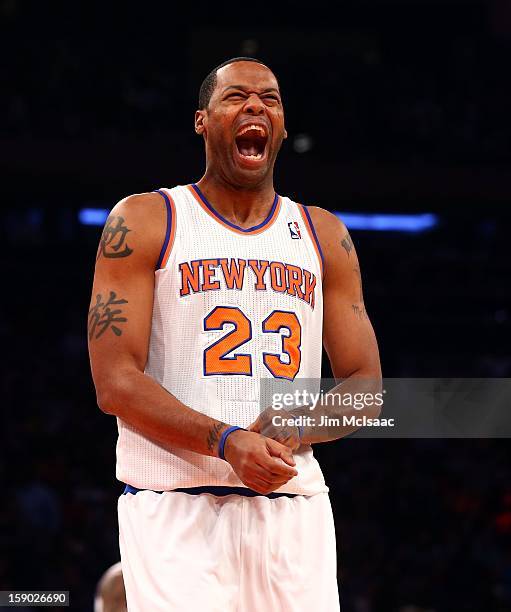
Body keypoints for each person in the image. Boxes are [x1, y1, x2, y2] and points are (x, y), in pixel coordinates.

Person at [88, 56, 381, 611]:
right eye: (235, 97)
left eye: (269, 99)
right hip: (176, 504)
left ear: (283, 127)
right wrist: (227, 440)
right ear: (201, 120)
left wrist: (296, 426)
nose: (254, 106)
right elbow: (114, 382)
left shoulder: (324, 233)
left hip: (294, 508)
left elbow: (366, 388)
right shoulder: (148, 218)